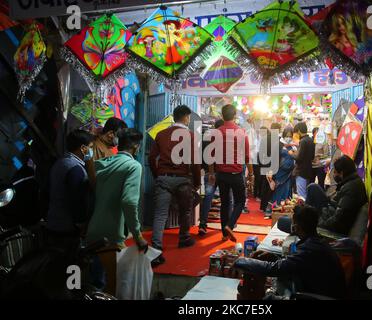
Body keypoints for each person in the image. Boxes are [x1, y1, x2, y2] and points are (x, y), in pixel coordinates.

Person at [233, 205, 346, 299]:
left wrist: (241, 261)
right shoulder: (317, 242)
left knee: (268, 298)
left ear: (295, 227)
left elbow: (274, 269)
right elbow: (294, 264)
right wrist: (273, 257)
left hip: (315, 295)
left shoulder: (309, 249)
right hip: (318, 289)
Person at [86, 128, 148, 294]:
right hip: (111, 236)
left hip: (92, 231)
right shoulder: (133, 166)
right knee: (111, 290)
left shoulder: (103, 163)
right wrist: (138, 235)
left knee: (94, 286)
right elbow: (129, 201)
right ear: (135, 146)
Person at [149, 105, 201, 263]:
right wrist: (197, 182)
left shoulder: (161, 134)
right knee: (185, 211)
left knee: (160, 215)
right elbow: (195, 161)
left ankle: (156, 248)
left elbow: (151, 158)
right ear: (186, 117)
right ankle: (184, 238)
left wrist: (157, 175)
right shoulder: (190, 136)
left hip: (163, 178)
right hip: (183, 179)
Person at [209, 104, 253, 242]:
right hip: (236, 174)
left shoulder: (216, 133)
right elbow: (247, 156)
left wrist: (211, 173)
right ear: (235, 116)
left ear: (222, 116)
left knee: (225, 203)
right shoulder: (241, 133)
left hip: (221, 174)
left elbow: (211, 155)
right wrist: (251, 174)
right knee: (240, 201)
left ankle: (224, 233)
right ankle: (229, 225)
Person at [46, 130, 95, 250]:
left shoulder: (61, 162)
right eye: (90, 147)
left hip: (54, 221)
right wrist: (81, 223)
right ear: (83, 148)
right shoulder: (75, 168)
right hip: (67, 227)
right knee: (70, 264)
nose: (91, 151)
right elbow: (77, 200)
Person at [306, 155, 368, 235]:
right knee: (313, 188)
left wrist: (317, 223)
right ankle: (305, 216)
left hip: (333, 227)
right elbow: (338, 205)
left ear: (341, 173)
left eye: (335, 172)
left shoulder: (351, 188)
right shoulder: (351, 183)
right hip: (330, 213)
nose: (334, 175)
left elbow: (337, 221)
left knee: (312, 188)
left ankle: (304, 221)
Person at [269, 127, 296, 216]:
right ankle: (275, 208)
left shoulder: (293, 145)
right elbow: (274, 158)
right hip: (280, 172)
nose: (289, 138)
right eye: (287, 136)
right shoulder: (279, 144)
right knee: (279, 190)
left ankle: (284, 210)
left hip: (289, 173)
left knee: (287, 191)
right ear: (284, 135)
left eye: (290, 136)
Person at [291, 122, 315, 200]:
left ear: (298, 131)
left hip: (301, 171)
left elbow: (299, 158)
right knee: (305, 193)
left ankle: (303, 211)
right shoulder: (311, 140)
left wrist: (291, 153)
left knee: (301, 195)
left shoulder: (303, 141)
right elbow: (312, 156)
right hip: (308, 170)